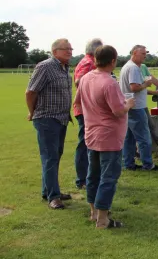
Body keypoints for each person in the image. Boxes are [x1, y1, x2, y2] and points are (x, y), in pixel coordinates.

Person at [74, 45, 134, 228]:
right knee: (108, 177)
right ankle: (102, 219)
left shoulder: (85, 78)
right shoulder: (109, 82)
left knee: (93, 175)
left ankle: (94, 212)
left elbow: (77, 101)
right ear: (113, 60)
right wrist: (128, 104)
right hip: (109, 137)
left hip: (92, 134)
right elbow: (118, 111)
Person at [25, 38, 74, 210]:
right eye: (65, 49)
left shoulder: (64, 68)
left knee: (55, 155)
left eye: (70, 49)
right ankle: (54, 197)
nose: (69, 52)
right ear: (54, 52)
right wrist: (32, 112)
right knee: (50, 157)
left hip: (61, 119)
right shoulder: (45, 67)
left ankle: (49, 190)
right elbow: (30, 92)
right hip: (47, 119)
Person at [119, 45, 158, 171]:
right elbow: (135, 87)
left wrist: (152, 91)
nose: (145, 56)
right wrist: (147, 84)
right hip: (136, 107)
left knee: (129, 138)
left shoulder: (127, 66)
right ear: (134, 53)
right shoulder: (133, 68)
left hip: (129, 106)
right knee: (144, 137)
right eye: (143, 53)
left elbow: (138, 89)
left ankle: (128, 163)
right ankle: (148, 164)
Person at [72, 37, 103, 190]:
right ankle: (82, 179)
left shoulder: (89, 62)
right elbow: (79, 81)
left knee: (89, 144)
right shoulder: (88, 62)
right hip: (85, 110)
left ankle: (89, 177)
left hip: (88, 109)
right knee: (85, 144)